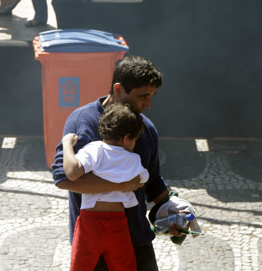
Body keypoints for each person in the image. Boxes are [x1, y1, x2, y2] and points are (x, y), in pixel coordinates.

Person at [52, 56, 186, 270]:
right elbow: (63, 178)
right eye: (143, 96)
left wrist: (170, 211)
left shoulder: (146, 129)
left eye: (152, 96)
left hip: (137, 241)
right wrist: (120, 187)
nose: (148, 104)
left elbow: (152, 182)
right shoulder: (83, 122)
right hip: (93, 242)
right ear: (118, 89)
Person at [62, 103, 149, 271]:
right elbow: (141, 180)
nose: (134, 145)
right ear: (126, 138)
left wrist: (67, 144)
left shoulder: (95, 149)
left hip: (90, 223)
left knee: (81, 267)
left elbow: (72, 172)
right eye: (135, 140)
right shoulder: (133, 159)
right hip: (118, 224)